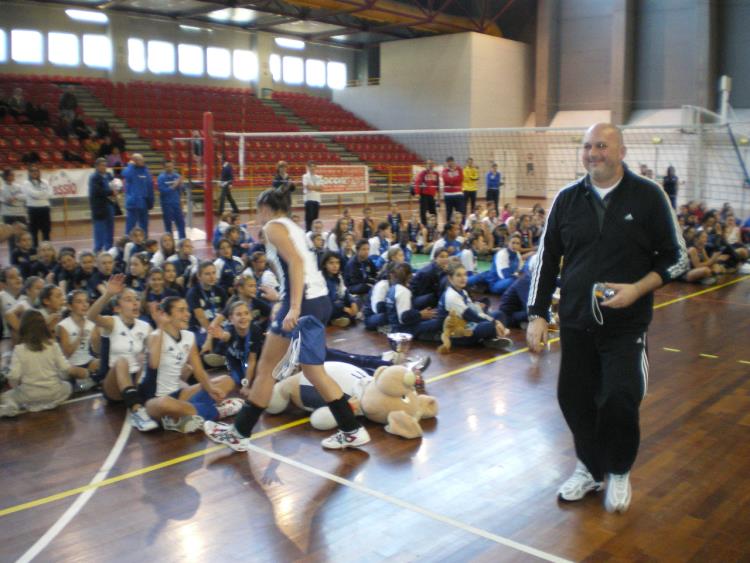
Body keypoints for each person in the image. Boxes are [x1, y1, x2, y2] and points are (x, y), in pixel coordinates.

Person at [526, 123, 688, 514]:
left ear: (621, 151)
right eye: (587, 146)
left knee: (620, 396)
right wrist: (537, 313)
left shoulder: (649, 196)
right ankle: (590, 468)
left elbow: (678, 257)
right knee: (574, 399)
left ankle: (617, 470)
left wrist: (638, 288)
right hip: (575, 321)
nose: (593, 153)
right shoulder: (567, 199)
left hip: (625, 325)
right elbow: (546, 259)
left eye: (601, 145)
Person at [204, 186, 370, 451]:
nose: (257, 216)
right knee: (313, 371)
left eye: (258, 210)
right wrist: (285, 300)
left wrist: (292, 307)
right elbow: (298, 265)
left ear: (265, 208)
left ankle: (239, 433)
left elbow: (295, 263)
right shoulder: (293, 226)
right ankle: (352, 429)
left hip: (303, 303)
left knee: (267, 368)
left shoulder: (273, 227)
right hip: (318, 301)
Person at [139, 297, 242, 433]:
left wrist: (211, 388)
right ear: (167, 315)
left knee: (227, 381)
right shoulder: (155, 336)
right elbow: (154, 364)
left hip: (180, 395)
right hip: (154, 400)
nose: (188, 314)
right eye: (181, 310)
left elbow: (199, 370)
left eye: (187, 310)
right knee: (165, 403)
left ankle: (183, 416)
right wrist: (161, 326)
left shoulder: (189, 336)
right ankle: (216, 412)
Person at [88, 274, 156, 432]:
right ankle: (137, 412)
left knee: (151, 357)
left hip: (137, 379)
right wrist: (108, 294)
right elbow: (91, 316)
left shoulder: (145, 326)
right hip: (114, 385)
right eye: (128, 299)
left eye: (136, 299)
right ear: (117, 308)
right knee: (122, 361)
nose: (135, 303)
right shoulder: (112, 322)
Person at [0, 310, 89, 417]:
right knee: (68, 386)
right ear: (44, 327)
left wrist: (9, 375)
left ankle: (12, 406)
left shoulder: (19, 349)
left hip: (30, 395)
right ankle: (52, 402)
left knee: (6, 396)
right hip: (54, 392)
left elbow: (14, 376)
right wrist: (83, 372)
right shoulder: (53, 345)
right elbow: (65, 368)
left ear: (23, 328)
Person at [121, 154, 154, 236]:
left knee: (144, 227)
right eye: (139, 159)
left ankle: (144, 241)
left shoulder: (146, 171)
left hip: (144, 203)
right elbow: (125, 175)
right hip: (133, 204)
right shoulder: (130, 170)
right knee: (130, 227)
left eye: (142, 159)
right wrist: (130, 166)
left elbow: (150, 187)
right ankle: (128, 241)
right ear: (134, 161)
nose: (143, 161)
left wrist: (150, 202)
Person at [89, 158, 117, 253]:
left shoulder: (109, 175)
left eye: (105, 165)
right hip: (99, 207)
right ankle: (98, 250)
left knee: (110, 228)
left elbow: (114, 185)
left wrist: (117, 188)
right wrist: (111, 192)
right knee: (99, 229)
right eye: (102, 165)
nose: (104, 167)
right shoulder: (94, 178)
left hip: (109, 204)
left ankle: (109, 249)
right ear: (96, 166)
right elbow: (98, 191)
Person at [22, 164, 53, 248]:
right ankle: (34, 251)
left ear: (39, 172)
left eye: (36, 171)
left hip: (45, 209)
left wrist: (40, 195)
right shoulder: (26, 183)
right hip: (33, 209)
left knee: (46, 231)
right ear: (29, 173)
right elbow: (33, 194)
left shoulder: (45, 182)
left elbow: (50, 194)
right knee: (33, 232)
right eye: (32, 171)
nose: (35, 172)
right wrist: (43, 194)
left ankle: (47, 250)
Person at [158, 160, 186, 240]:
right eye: (167, 167)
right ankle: (170, 242)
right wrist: (174, 186)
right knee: (168, 224)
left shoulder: (177, 176)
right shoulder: (161, 177)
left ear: (173, 166)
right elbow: (163, 191)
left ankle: (182, 241)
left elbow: (182, 189)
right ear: (164, 167)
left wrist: (181, 185)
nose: (170, 168)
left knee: (181, 223)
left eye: (171, 166)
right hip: (166, 204)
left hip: (176, 203)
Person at [1, 169, 27, 254]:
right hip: (8, 215)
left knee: (23, 235)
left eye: (13, 175)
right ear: (6, 177)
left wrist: (15, 197)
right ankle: (14, 256)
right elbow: (5, 200)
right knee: (11, 237)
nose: (13, 176)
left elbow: (24, 197)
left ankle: (24, 253)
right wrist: (11, 199)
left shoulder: (18, 186)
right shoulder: (2, 188)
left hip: (20, 214)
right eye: (11, 175)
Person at [442, 156, 464, 224]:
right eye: (448, 162)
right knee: (449, 213)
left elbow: (461, 179)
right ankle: (448, 227)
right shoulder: (444, 171)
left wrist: (452, 177)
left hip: (458, 194)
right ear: (447, 163)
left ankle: (461, 227)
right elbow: (447, 180)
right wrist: (454, 177)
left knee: (460, 213)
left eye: (451, 161)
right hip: (448, 195)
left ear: (453, 161)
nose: (450, 163)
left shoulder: (459, 169)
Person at [302, 161, 322, 232]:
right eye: (311, 166)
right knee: (309, 218)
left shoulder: (319, 177)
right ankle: (308, 232)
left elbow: (321, 188)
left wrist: (313, 187)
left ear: (316, 167)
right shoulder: (305, 176)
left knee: (315, 218)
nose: (312, 168)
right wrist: (316, 187)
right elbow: (307, 187)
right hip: (309, 199)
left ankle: (315, 232)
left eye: (314, 166)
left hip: (317, 200)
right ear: (308, 167)